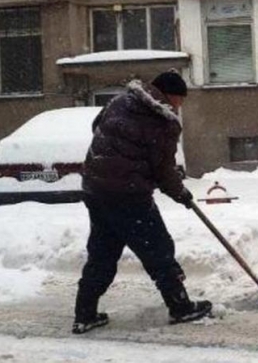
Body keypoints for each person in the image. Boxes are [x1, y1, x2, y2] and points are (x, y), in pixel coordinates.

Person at [72, 70, 212, 334]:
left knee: (102, 252)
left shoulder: (120, 101)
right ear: (170, 96)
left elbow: (98, 128)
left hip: (96, 189)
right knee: (157, 248)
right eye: (180, 100)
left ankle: (85, 313)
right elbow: (163, 169)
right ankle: (180, 306)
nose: (179, 106)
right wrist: (180, 193)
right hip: (128, 194)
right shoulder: (162, 121)